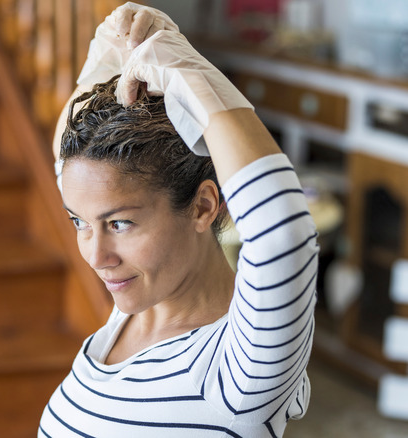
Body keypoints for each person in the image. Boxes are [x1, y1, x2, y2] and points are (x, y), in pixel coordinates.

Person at [39, 3, 318, 437]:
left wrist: (191, 72)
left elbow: (283, 232)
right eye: (80, 223)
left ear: (205, 207)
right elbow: (75, 171)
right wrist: (110, 56)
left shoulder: (239, 370)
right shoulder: (135, 312)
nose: (96, 256)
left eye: (120, 224)